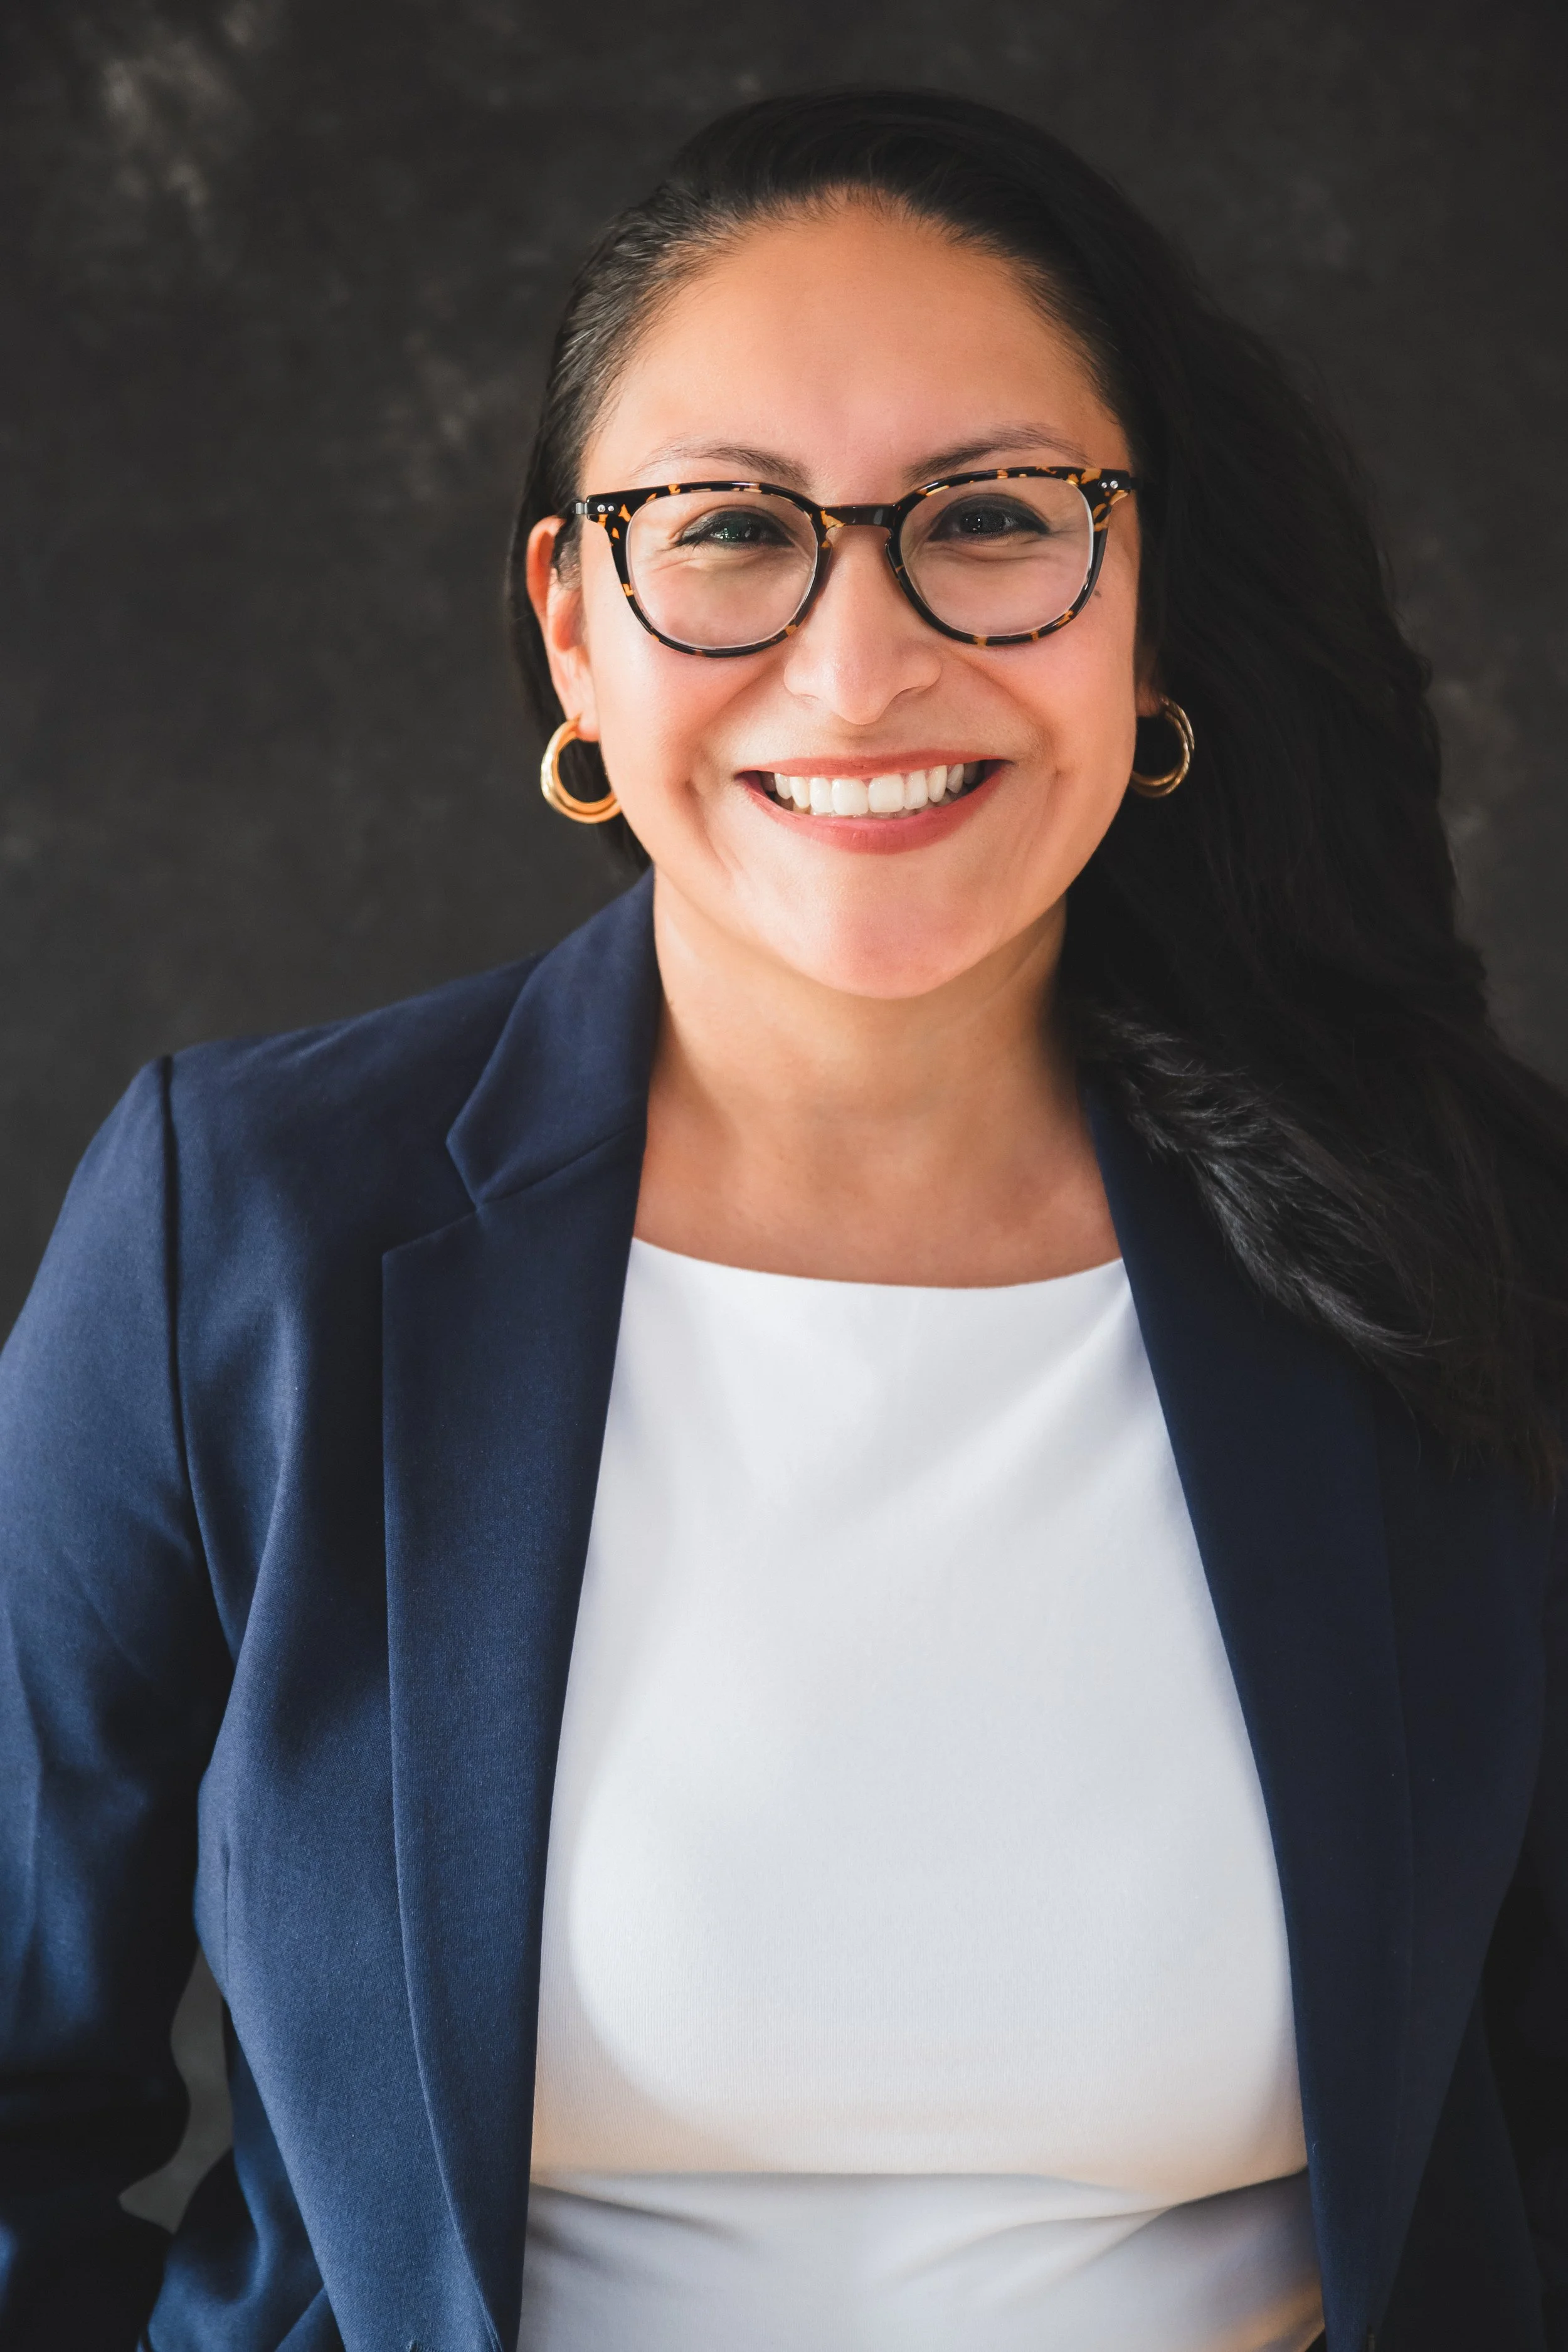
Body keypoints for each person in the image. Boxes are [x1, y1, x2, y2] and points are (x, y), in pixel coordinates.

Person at [3, 85, 1567, 2352]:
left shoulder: (1470, 1241)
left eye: (995, 517)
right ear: (571, 627)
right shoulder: (233, 1234)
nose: (859, 671)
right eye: (731, 531)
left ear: (1149, 600)